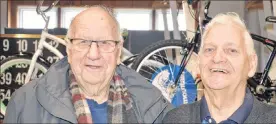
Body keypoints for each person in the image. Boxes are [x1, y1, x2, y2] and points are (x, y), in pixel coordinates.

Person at [4, 6, 173, 123]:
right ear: (69, 50)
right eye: (83, 42)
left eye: (105, 42)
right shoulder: (24, 103)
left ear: (118, 51)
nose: (93, 54)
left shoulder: (154, 105)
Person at [163, 12, 276, 123]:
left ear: (251, 64)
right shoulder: (174, 119)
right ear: (198, 63)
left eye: (231, 50)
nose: (217, 58)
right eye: (209, 49)